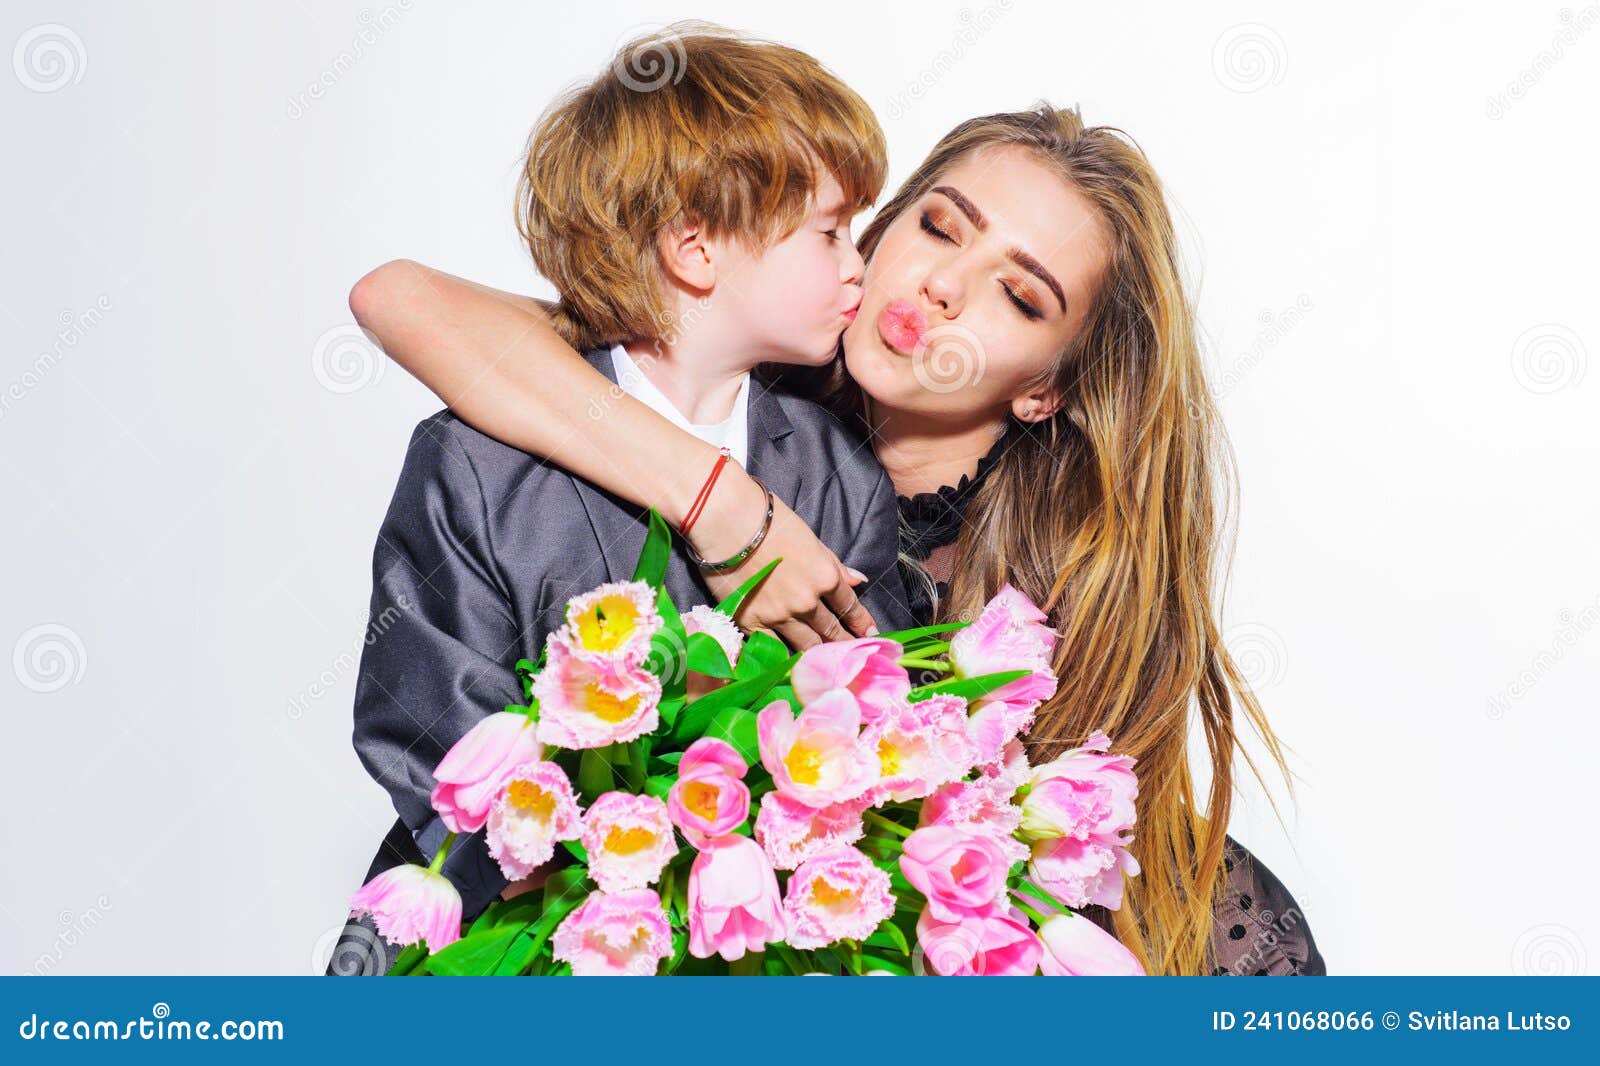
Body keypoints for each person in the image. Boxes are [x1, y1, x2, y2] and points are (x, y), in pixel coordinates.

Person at [352, 102, 1326, 976]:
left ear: (1045, 388)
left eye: (1019, 296)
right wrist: (716, 501)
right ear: (874, 233)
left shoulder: (1027, 623)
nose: (944, 285)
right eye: (939, 226)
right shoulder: (693, 391)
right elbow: (406, 298)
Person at [325, 25, 917, 976]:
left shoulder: (836, 469)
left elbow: (872, 718)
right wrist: (568, 839)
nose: (859, 265)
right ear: (695, 248)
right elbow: (419, 697)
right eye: (830, 232)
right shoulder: (475, 460)